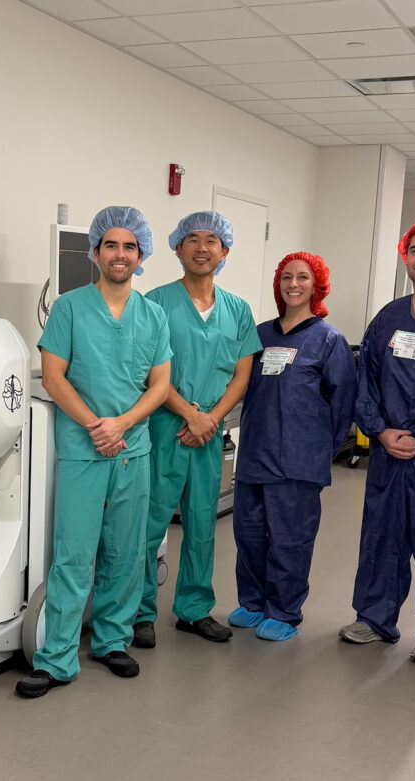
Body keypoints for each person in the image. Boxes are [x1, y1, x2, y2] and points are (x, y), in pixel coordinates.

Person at [16, 206, 172, 698]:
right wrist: (94, 425)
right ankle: (57, 658)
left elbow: (161, 384)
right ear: (96, 252)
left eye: (129, 246)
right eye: (111, 245)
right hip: (84, 449)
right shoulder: (68, 308)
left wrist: (122, 424)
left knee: (126, 552)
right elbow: (54, 375)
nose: (120, 254)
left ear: (141, 254)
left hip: (133, 448)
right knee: (74, 554)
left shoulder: (153, 315)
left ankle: (111, 640)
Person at [339, 219, 415, 666]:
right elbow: (364, 380)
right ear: (404, 256)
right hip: (389, 451)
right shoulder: (388, 319)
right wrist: (379, 429)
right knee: (382, 535)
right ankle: (374, 618)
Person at [132, 211, 260, 649]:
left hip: (208, 433)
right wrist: (190, 414)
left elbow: (241, 376)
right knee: (150, 526)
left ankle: (193, 609)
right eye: (192, 239)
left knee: (203, 526)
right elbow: (148, 370)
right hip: (164, 428)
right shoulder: (154, 302)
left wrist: (210, 419)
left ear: (225, 251)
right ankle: (140, 612)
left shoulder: (238, 310)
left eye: (212, 240)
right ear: (177, 248)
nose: (202, 247)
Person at [231, 252, 356, 641]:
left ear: (316, 285)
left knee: (289, 539)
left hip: (298, 462)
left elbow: (343, 405)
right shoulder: (261, 334)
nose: (294, 284)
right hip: (254, 453)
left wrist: (318, 450)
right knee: (249, 534)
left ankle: (284, 611)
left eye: (303, 277)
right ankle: (253, 602)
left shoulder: (328, 340)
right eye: (287, 277)